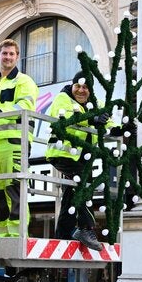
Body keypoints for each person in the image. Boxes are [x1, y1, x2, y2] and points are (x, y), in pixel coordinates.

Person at [0, 38, 39, 237]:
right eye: (4, 53)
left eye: (11, 54)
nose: (7, 57)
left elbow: (26, 106)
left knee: (15, 191)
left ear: (17, 57)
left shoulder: (23, 81)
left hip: (14, 142)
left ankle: (18, 238)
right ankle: (2, 239)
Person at [45, 71, 107, 251]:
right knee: (83, 184)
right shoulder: (62, 98)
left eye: (85, 87)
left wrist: (120, 129)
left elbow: (108, 123)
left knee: (71, 196)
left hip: (81, 159)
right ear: (72, 86)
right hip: (63, 155)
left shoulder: (96, 105)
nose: (80, 90)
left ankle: (62, 236)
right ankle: (85, 228)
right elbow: (68, 116)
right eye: (77, 86)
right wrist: (93, 119)